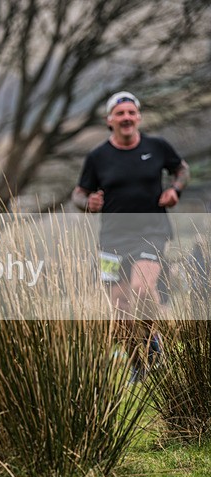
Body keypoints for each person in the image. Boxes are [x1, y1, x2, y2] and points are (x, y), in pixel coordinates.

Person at [72, 91, 190, 383]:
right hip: (111, 239)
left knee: (140, 288)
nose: (126, 118)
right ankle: (140, 363)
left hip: (151, 231)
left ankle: (154, 344)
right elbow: (79, 193)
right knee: (120, 310)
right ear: (109, 120)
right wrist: (87, 204)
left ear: (138, 117)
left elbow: (181, 169)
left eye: (131, 113)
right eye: (120, 113)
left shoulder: (157, 146)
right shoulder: (98, 157)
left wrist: (175, 189)